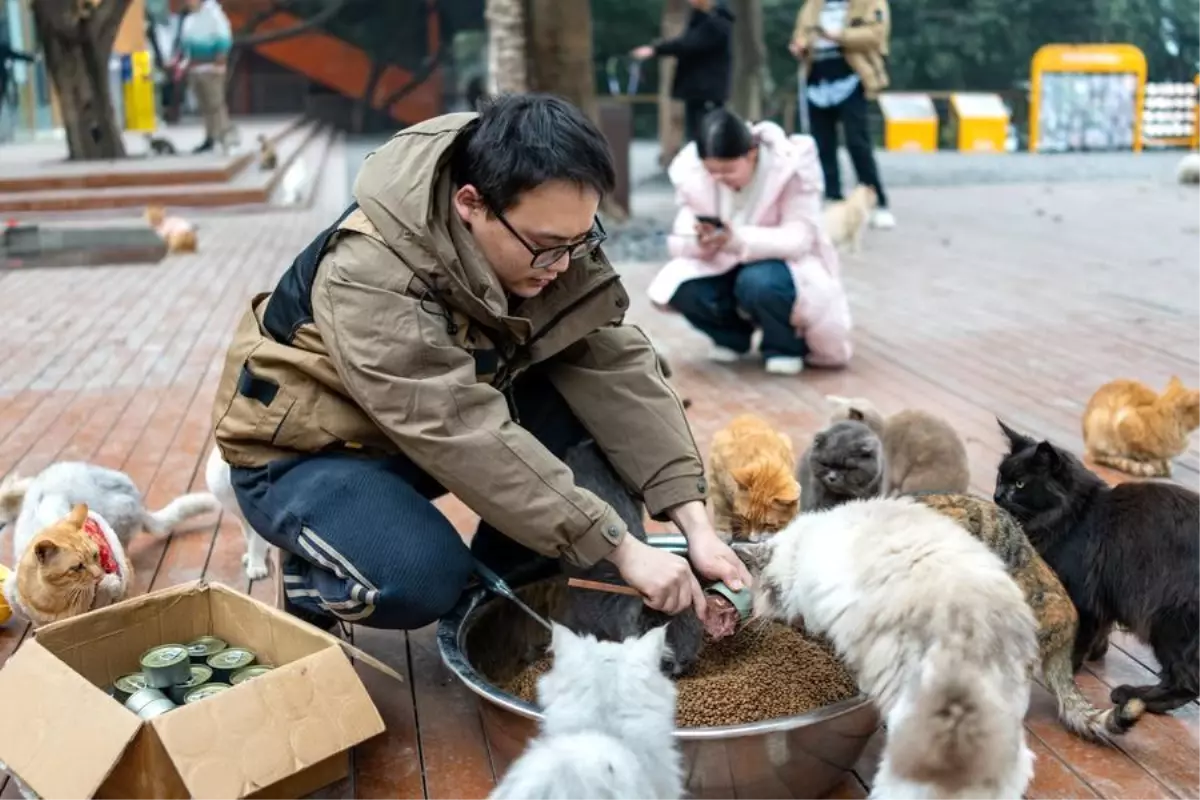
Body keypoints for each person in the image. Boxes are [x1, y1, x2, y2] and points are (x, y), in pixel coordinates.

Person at [210, 93, 751, 632]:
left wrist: (694, 522)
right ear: (471, 203)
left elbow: (615, 369)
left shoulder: (545, 234)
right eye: (547, 246)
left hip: (417, 434)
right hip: (308, 454)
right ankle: (317, 574)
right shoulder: (369, 272)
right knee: (419, 580)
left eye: (579, 241)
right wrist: (623, 547)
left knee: (583, 410)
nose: (563, 265)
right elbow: (457, 428)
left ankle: (502, 587)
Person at [647, 108, 852, 375]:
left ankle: (785, 346)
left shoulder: (791, 167)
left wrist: (738, 240)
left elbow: (799, 238)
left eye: (728, 170)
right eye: (712, 171)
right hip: (722, 263)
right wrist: (701, 241)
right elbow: (681, 233)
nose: (719, 178)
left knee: (760, 281)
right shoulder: (694, 176)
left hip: (785, 267)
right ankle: (732, 337)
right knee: (682, 288)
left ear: (751, 154)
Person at [790, 0, 895, 229]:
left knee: (858, 143)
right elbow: (801, 33)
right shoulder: (813, 5)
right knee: (822, 144)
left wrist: (839, 35)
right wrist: (800, 44)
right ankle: (833, 198)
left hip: (852, 78)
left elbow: (876, 35)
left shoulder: (871, 3)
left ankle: (877, 202)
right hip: (817, 80)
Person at [631, 0, 734, 145]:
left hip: (708, 91)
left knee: (706, 136)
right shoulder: (701, 19)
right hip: (697, 92)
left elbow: (689, 44)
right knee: (695, 135)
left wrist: (655, 50)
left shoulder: (717, 22)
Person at [179, 0, 235, 154]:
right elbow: (186, 44)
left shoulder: (214, 14)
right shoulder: (189, 19)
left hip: (212, 67)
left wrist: (220, 59)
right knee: (204, 105)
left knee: (215, 103)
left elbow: (224, 37)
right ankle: (210, 137)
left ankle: (225, 135)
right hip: (195, 68)